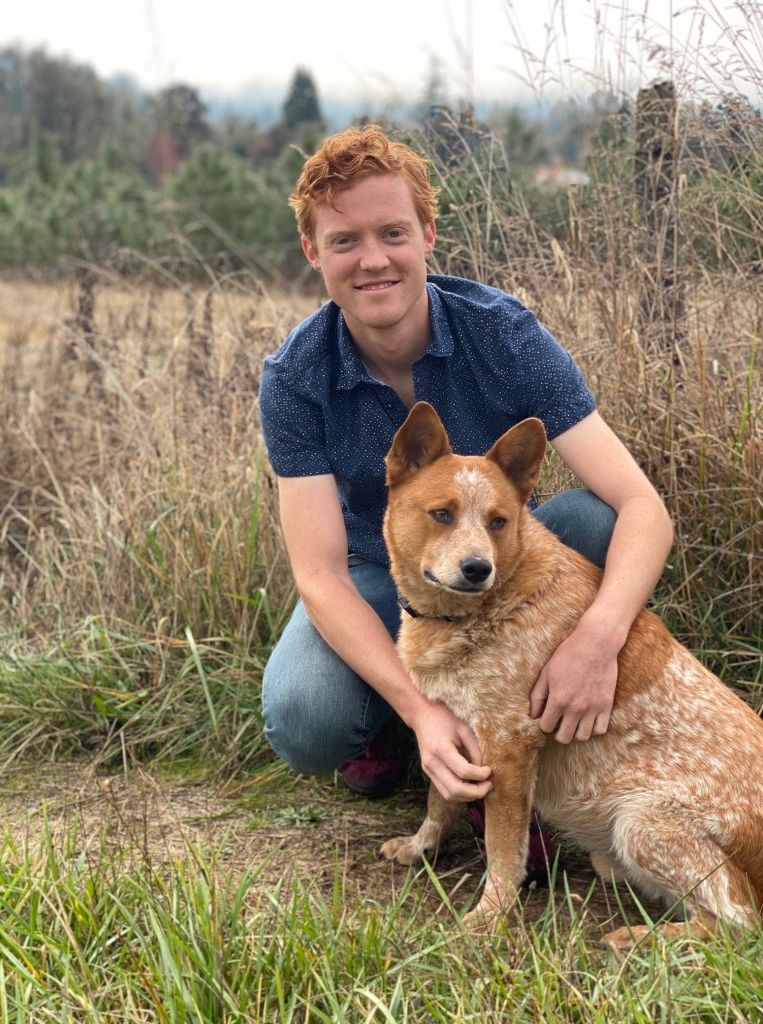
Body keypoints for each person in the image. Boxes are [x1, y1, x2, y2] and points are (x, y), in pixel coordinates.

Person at [258, 124, 673, 809]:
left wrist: (599, 640)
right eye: (345, 241)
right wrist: (420, 710)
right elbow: (320, 574)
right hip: (383, 577)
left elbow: (643, 508)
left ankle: (529, 740)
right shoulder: (295, 378)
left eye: (393, 233)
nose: (373, 260)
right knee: (305, 717)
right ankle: (398, 725)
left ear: (427, 234)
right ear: (313, 252)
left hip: (499, 567)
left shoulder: (505, 335)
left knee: (594, 520)